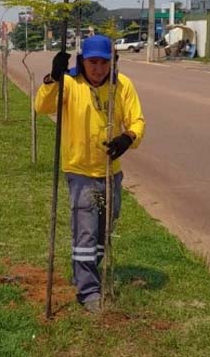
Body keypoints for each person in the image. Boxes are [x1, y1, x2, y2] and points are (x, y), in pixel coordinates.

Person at [35, 35, 146, 313]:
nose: (97, 68)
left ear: (112, 62)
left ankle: (83, 271)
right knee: (85, 233)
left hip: (110, 173)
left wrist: (127, 138)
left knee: (103, 231)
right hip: (80, 171)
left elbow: (137, 120)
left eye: (103, 62)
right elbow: (42, 107)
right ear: (82, 60)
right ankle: (88, 291)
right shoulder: (70, 82)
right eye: (92, 62)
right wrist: (52, 78)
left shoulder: (122, 85)